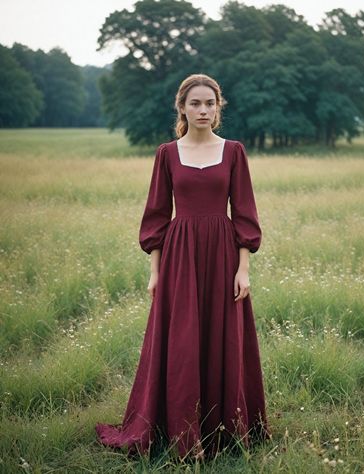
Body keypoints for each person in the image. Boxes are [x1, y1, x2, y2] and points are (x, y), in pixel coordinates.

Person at [95, 73, 271, 462]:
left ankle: (224, 430)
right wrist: (155, 272)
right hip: (180, 259)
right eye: (196, 103)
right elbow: (157, 217)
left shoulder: (235, 151)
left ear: (218, 107)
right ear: (183, 108)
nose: (203, 110)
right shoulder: (167, 154)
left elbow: (244, 214)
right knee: (182, 343)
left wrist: (244, 269)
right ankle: (180, 431)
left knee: (221, 338)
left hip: (224, 255)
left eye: (210, 103)